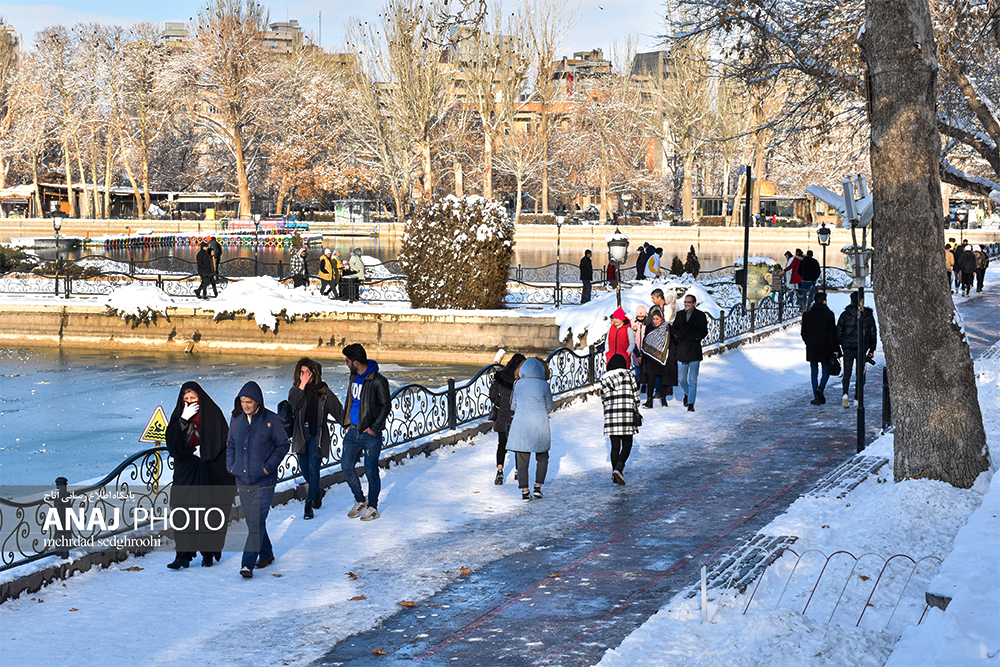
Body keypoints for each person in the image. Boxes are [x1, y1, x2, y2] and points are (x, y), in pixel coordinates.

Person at [165, 382, 235, 569]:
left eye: (193, 398)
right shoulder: (179, 416)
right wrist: (183, 420)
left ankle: (208, 553)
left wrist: (204, 451)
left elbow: (222, 441)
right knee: (181, 509)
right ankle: (183, 555)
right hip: (185, 469)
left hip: (208, 469)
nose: (189, 402)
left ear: (200, 398)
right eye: (186, 399)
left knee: (208, 510)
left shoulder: (213, 414)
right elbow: (172, 443)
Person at [226, 381, 290, 579]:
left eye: (249, 402)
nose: (245, 405)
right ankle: (267, 554)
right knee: (254, 522)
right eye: (242, 401)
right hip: (243, 480)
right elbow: (230, 444)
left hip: (264, 481)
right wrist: (231, 466)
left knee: (255, 523)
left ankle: (247, 564)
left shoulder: (272, 420)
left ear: (258, 402)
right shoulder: (236, 420)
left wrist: (267, 467)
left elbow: (283, 445)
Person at [288, 358, 343, 520]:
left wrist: (348, 425)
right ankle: (317, 492)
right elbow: (293, 403)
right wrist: (302, 385)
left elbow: (337, 409)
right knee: (305, 470)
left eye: (308, 372)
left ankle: (308, 504)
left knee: (313, 471)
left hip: (317, 436)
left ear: (315, 374)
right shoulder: (296, 390)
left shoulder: (323, 391)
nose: (304, 375)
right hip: (301, 435)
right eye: (301, 372)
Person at [341, 343, 390, 521]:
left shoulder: (378, 380)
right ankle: (360, 500)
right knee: (346, 466)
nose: (346, 364)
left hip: (370, 434)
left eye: (347, 361)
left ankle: (373, 507)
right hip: (353, 431)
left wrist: (374, 428)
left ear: (355, 362)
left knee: (370, 471)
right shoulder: (353, 376)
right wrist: (347, 422)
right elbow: (351, 401)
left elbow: (386, 406)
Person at [506, 357, 554, 501]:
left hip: (521, 425)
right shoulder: (544, 385)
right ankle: (538, 486)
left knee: (522, 459)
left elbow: (513, 405)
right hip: (539, 424)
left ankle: (525, 491)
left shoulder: (518, 384)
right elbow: (549, 407)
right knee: (542, 456)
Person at [601, 354, 641, 486]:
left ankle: (615, 477)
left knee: (615, 447)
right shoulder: (629, 376)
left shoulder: (604, 379)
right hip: (627, 414)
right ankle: (619, 468)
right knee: (627, 444)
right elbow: (636, 396)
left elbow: (603, 399)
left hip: (611, 416)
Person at [489, 353, 526, 485]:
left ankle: (500, 471)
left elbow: (492, 395)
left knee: (501, 444)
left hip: (503, 414)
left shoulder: (500, 377)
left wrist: (500, 403)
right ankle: (517, 471)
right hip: (517, 415)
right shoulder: (521, 380)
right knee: (518, 444)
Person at [837, 290, 877, 408]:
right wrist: (872, 349)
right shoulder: (867, 315)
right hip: (862, 347)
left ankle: (845, 394)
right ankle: (857, 398)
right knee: (860, 373)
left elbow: (839, 331)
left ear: (851, 301)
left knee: (847, 372)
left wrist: (841, 343)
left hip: (848, 347)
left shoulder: (845, 314)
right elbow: (873, 333)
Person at [800, 292, 840, 405]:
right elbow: (832, 334)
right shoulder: (829, 314)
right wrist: (835, 349)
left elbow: (803, 332)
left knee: (814, 371)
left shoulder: (807, 315)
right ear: (824, 301)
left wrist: (808, 342)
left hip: (812, 346)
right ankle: (821, 388)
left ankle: (816, 395)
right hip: (826, 346)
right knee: (826, 370)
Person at [671, 293, 709, 412]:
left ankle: (691, 402)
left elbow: (704, 331)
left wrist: (694, 337)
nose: (686, 304)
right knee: (681, 379)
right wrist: (677, 335)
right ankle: (687, 393)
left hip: (693, 350)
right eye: (685, 302)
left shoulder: (700, 315)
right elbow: (674, 329)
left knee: (693, 379)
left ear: (694, 303)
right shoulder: (680, 315)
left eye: (689, 302)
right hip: (682, 350)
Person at [640, 307, 676, 408]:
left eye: (657, 319)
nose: (655, 321)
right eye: (654, 319)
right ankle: (649, 400)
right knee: (651, 378)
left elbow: (672, 341)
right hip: (651, 357)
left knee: (663, 379)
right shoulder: (649, 327)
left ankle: (663, 399)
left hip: (663, 357)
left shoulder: (667, 328)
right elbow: (646, 340)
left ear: (662, 318)